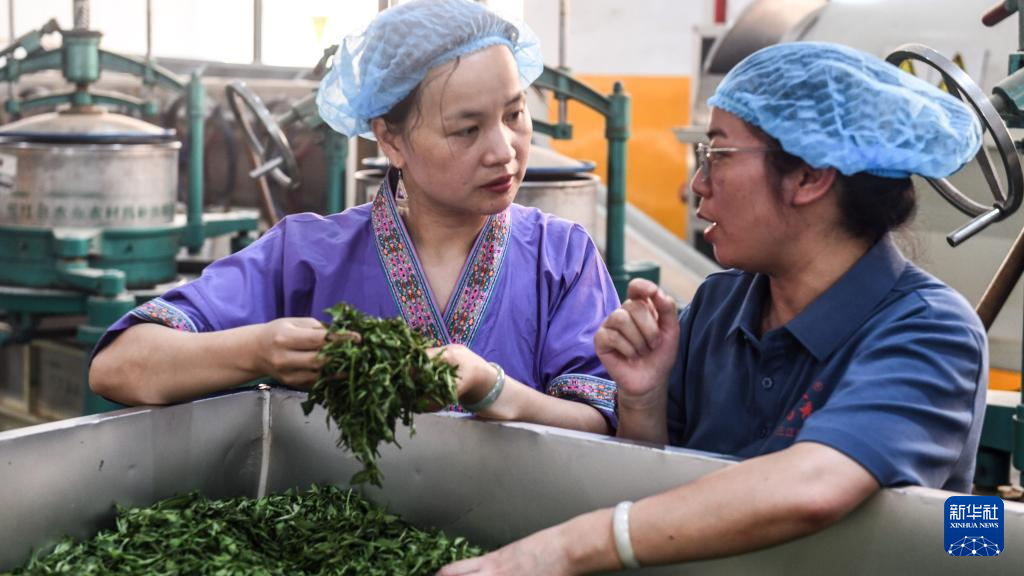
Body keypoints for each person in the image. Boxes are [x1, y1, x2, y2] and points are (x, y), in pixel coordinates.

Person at [439, 41, 987, 574]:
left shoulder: (931, 331)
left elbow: (815, 486)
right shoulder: (719, 306)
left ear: (809, 176)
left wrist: (565, 548)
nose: (697, 184)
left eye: (718, 154)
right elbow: (649, 487)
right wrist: (644, 398)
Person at [89, 0, 619, 434]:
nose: (504, 150)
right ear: (391, 139)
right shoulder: (303, 256)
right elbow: (117, 366)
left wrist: (490, 388)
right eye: (467, 129)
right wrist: (258, 350)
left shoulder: (562, 257)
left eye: (515, 114)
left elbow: (602, 427)